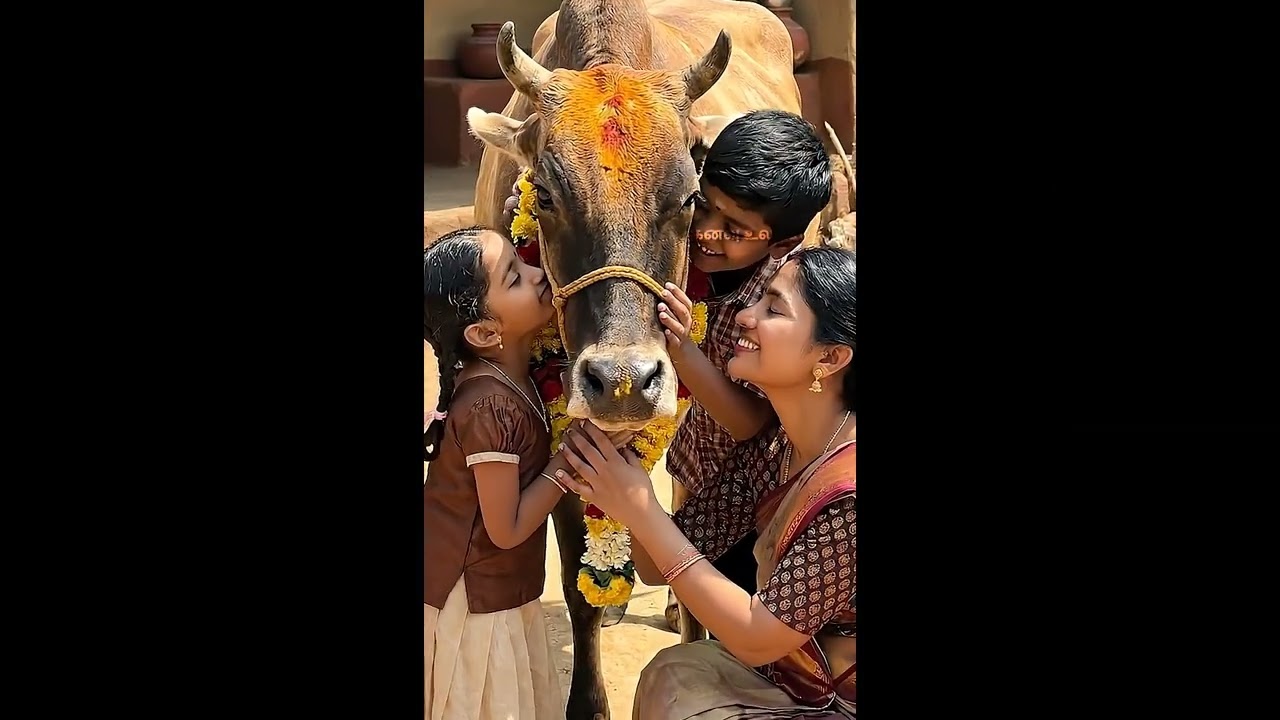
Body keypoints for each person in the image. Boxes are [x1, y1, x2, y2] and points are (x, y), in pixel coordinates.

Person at [501, 109, 834, 632]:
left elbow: (752, 427)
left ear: (780, 246)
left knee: (728, 600)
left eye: (736, 230)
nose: (706, 234)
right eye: (703, 208)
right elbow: (658, 565)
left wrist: (681, 353)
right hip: (699, 463)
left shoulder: (824, 485)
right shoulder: (665, 227)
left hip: (745, 476)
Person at [557, 246, 858, 719]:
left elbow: (759, 637)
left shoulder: (850, 495)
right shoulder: (775, 447)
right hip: (794, 682)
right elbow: (658, 568)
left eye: (773, 308)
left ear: (831, 356)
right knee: (671, 674)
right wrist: (625, 475)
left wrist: (640, 509)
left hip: (836, 702)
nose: (743, 316)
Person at [423, 226, 629, 720]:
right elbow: (507, 527)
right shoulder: (490, 407)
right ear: (485, 333)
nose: (540, 274)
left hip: (499, 596)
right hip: (473, 608)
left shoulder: (511, 380)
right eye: (515, 277)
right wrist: (571, 460)